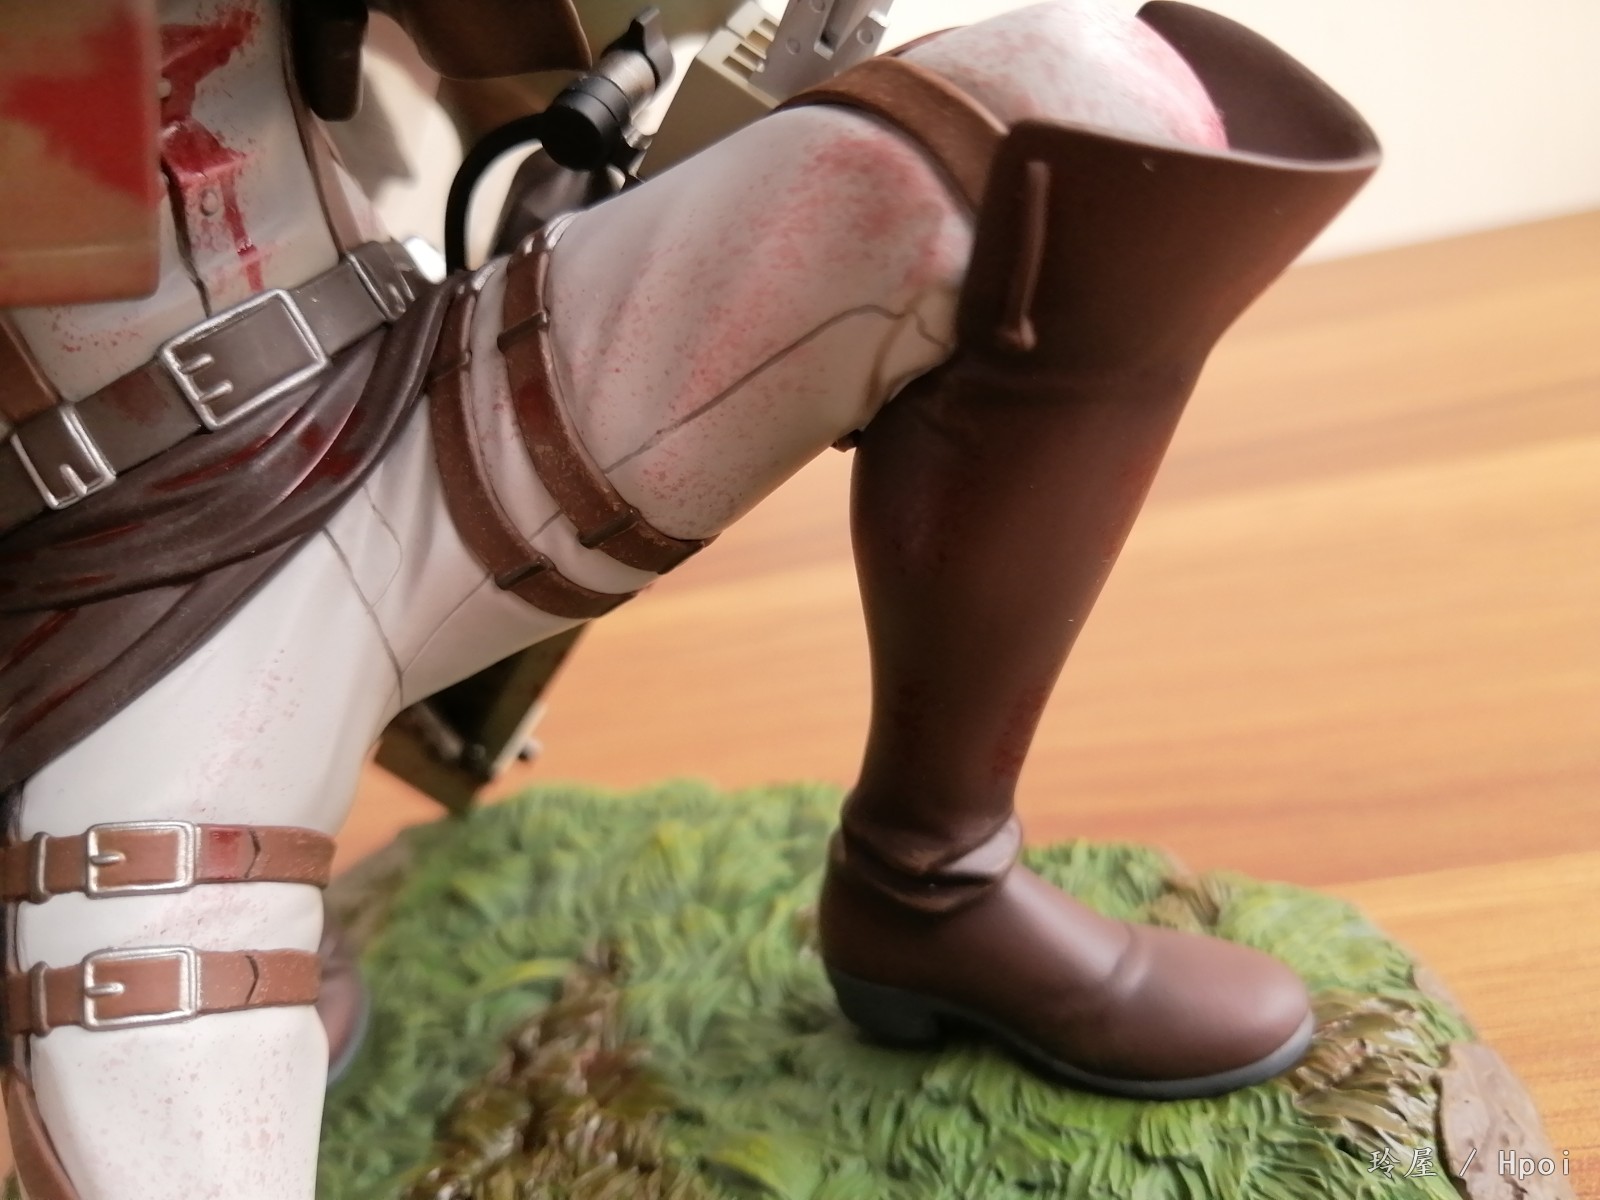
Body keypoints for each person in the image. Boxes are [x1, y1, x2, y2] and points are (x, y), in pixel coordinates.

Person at [0, 1, 1377, 1196]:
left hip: (405, 385)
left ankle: (930, 878)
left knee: (1081, 106)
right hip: (105, 616)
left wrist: (594, 123)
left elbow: (522, 62)